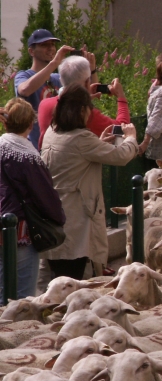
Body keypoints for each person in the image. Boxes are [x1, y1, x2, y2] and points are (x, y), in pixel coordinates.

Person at [41, 84, 137, 280]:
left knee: (58, 278)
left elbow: (76, 156)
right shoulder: (81, 138)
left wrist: (99, 143)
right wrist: (131, 138)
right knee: (73, 280)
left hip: (53, 216)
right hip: (76, 220)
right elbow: (121, 156)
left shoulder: (52, 132)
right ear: (83, 110)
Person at [0, 98, 65, 299]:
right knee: (22, 294)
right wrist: (58, 218)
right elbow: (44, 195)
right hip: (19, 232)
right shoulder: (28, 156)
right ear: (31, 124)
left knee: (2, 290)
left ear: (5, 122)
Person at [37, 55, 130, 148]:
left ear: (61, 80)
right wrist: (121, 97)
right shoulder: (84, 114)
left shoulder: (44, 104)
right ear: (87, 82)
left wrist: (85, 96)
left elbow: (67, 101)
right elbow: (122, 128)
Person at [14, 29, 78, 149]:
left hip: (57, 148)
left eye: (52, 44)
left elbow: (87, 91)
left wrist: (91, 68)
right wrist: (54, 63)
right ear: (31, 51)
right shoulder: (24, 75)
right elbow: (24, 90)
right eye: (44, 45)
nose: (51, 48)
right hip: (34, 148)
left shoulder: (58, 78)